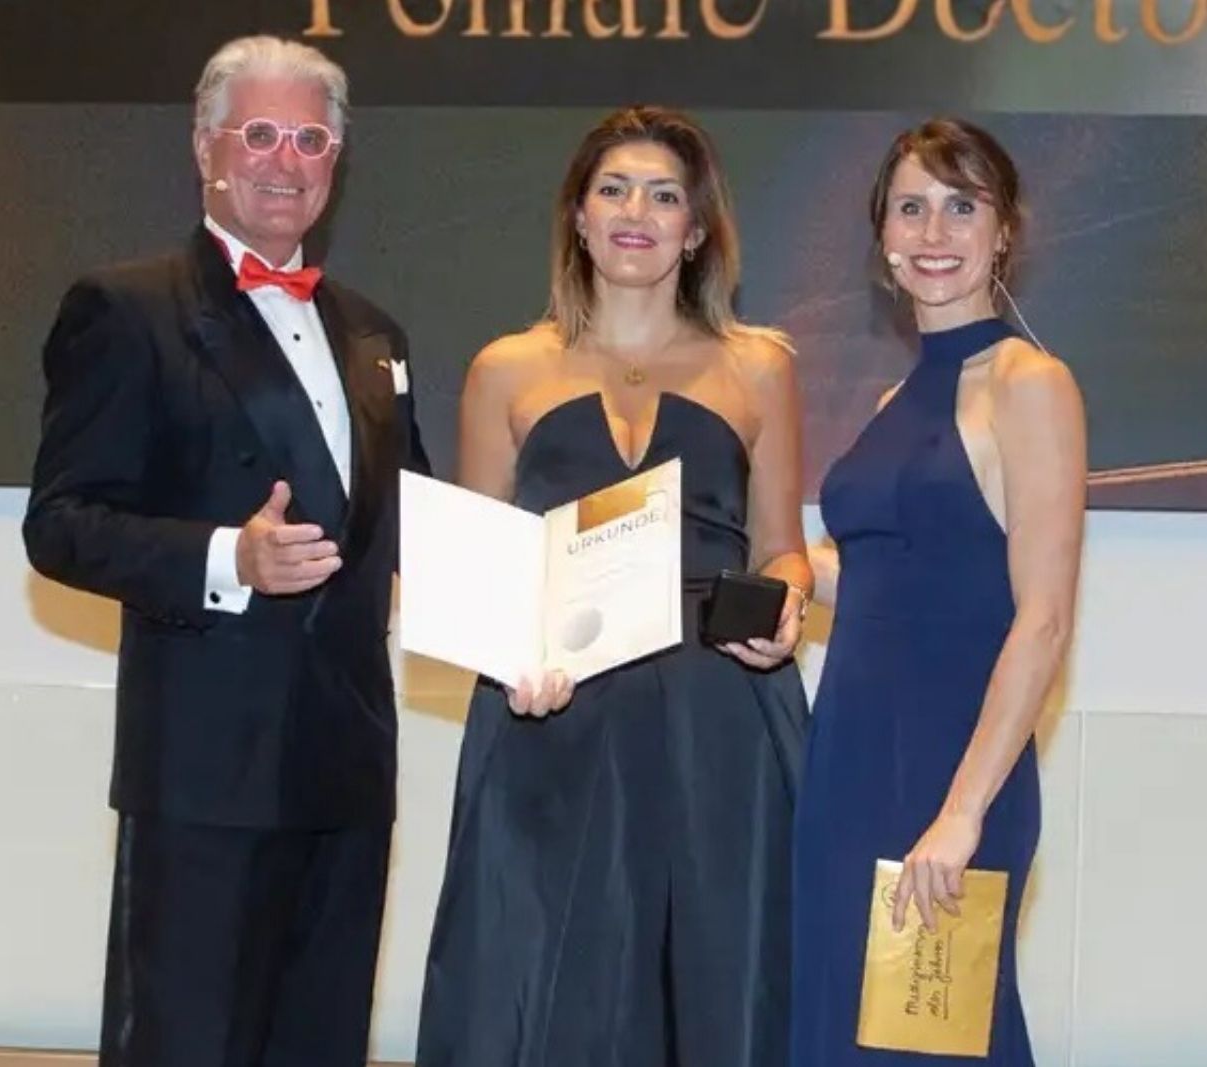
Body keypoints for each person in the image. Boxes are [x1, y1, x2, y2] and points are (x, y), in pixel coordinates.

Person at [23, 35, 427, 1067]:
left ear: (337, 162)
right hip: (206, 772)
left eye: (311, 140)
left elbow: (417, 526)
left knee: (321, 1043)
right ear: (204, 146)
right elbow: (61, 522)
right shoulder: (127, 309)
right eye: (259, 134)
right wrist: (226, 559)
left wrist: (553, 604)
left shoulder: (374, 333)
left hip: (347, 767)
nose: (285, 161)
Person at [416, 105, 811, 1067]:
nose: (637, 212)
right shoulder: (505, 368)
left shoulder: (760, 367)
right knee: (547, 980)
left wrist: (790, 604)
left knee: (722, 977)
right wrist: (511, 661)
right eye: (614, 189)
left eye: (665, 195)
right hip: (553, 714)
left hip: (717, 717)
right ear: (579, 218)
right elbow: (480, 565)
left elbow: (783, 549)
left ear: (697, 229)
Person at [792, 117, 1086, 1065]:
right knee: (842, 1030)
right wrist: (775, 575)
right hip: (849, 766)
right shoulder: (895, 402)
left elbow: (1043, 621)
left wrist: (962, 813)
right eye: (911, 208)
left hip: (951, 777)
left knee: (932, 1044)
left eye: (962, 207)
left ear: (1004, 231)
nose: (933, 232)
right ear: (882, 236)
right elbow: (883, 581)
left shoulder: (1030, 383)